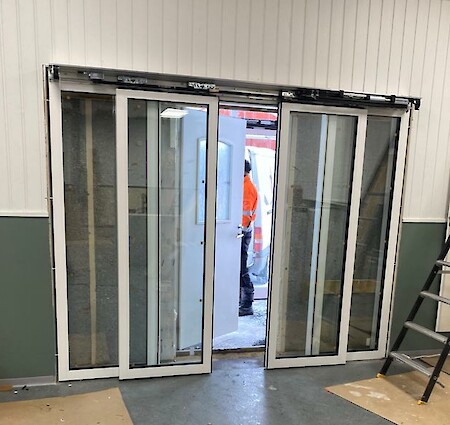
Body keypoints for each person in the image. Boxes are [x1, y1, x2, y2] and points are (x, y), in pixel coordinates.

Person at [239, 159, 258, 316]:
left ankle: (247, 304)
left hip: (242, 233)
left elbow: (245, 214)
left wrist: (239, 231)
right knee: (238, 267)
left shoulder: (246, 188)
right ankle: (242, 302)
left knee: (241, 268)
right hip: (241, 232)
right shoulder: (244, 186)